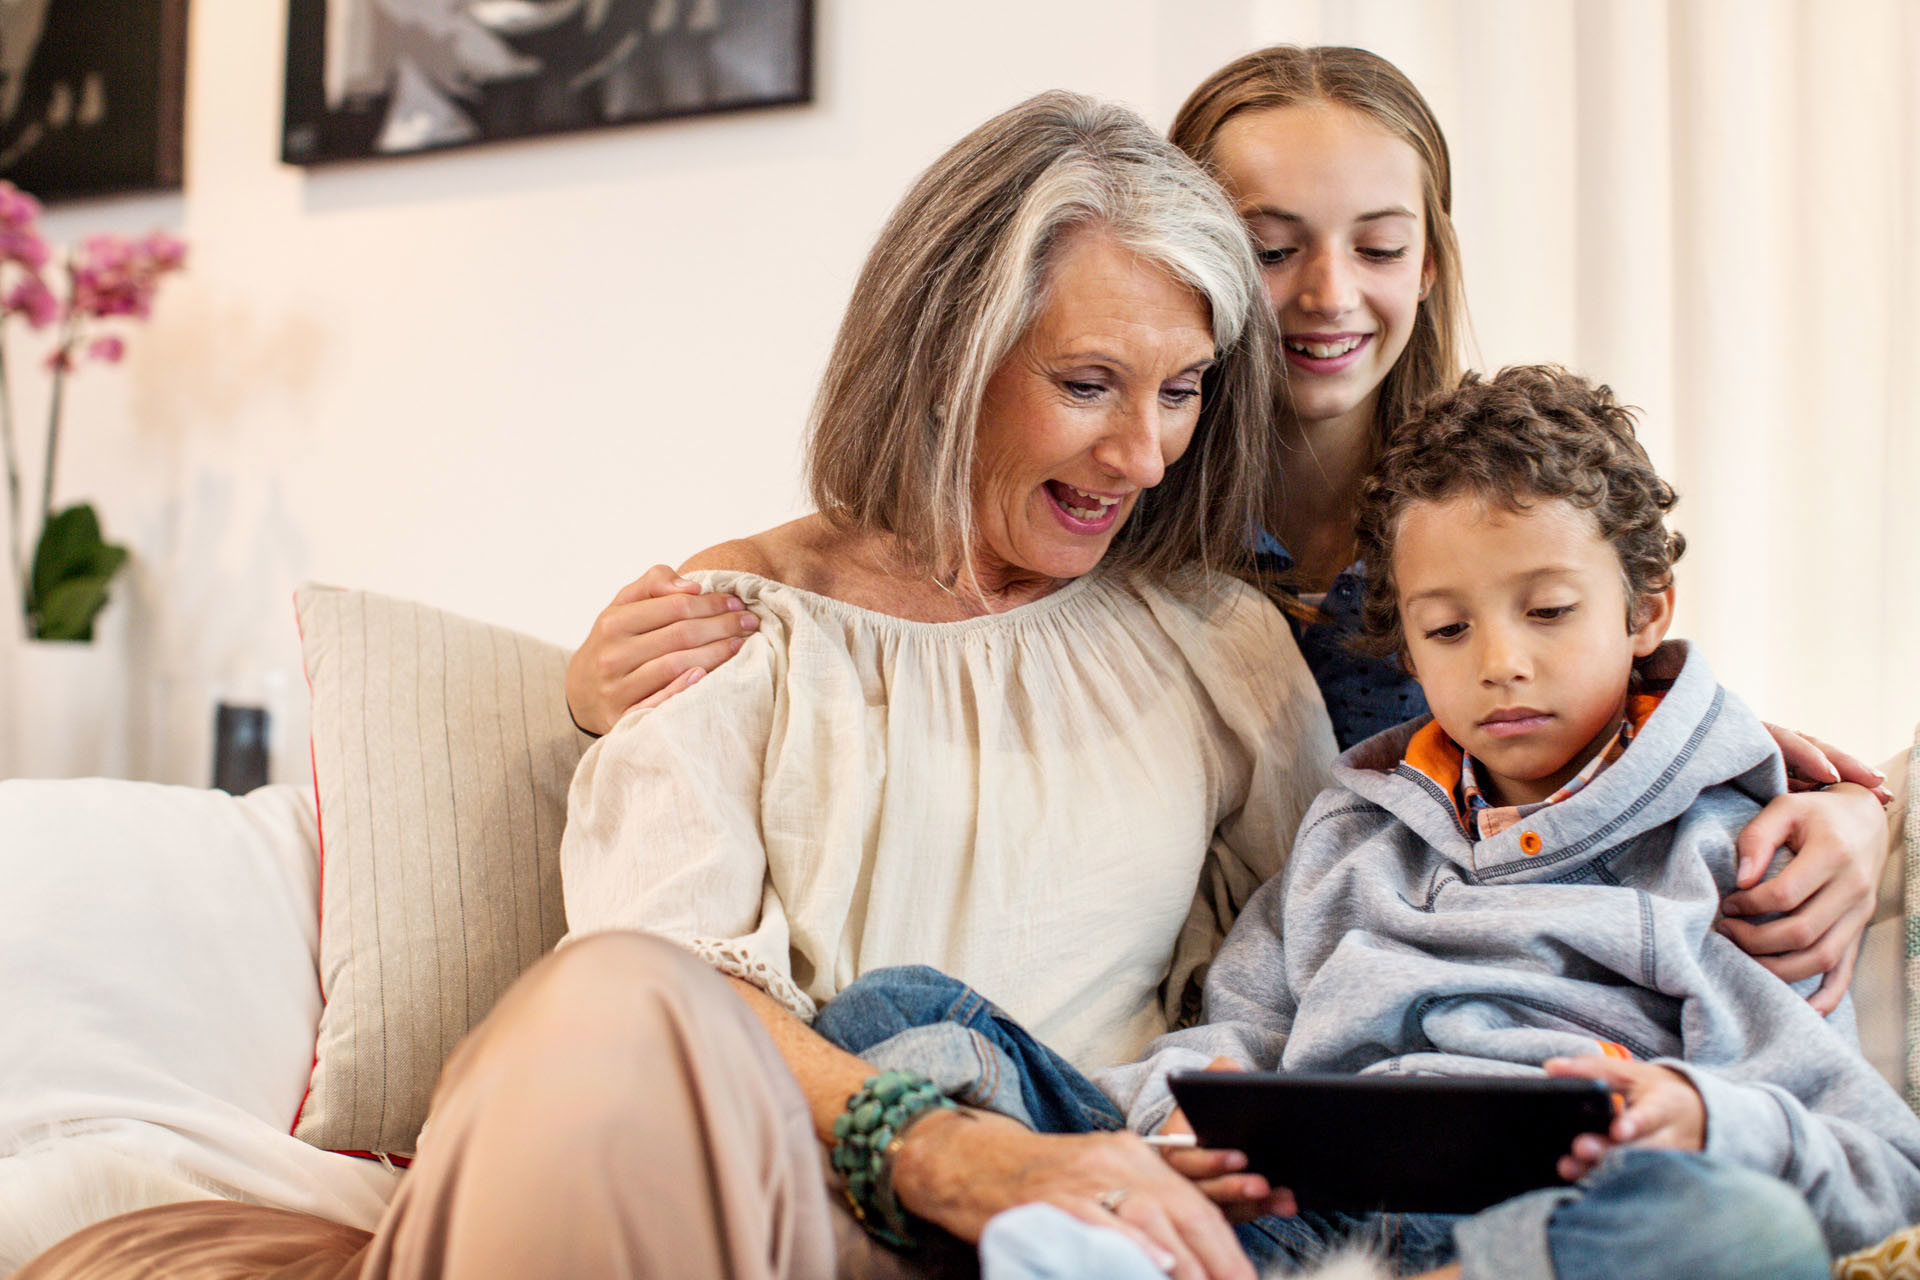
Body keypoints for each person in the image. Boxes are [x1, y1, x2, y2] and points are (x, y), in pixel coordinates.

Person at [17, 91, 1335, 1280]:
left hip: (1083, 1216)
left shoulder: (1218, 647)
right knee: (617, 998)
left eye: (1184, 391)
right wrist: (948, 1158)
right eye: (1088, 384)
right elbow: (663, 987)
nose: (1147, 452)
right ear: (946, 358)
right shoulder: (732, 621)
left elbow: (1325, 975)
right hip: (784, 1194)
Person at [562, 43, 1892, 1015]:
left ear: (1429, 260)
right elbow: (890, 563)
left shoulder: (1480, 516)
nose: (1329, 296)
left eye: (1380, 244)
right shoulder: (1119, 542)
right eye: (1270, 245)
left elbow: (1619, 736)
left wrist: (1857, 823)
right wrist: (619, 673)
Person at [1094, 365, 1920, 1278]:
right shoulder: (1352, 835)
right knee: (923, 1020)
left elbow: (1883, 1172)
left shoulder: (1733, 855)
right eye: (1447, 630)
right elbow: (1234, 1041)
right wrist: (1181, 1113)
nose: (1501, 663)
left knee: (1735, 1230)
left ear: (1645, 611)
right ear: (1407, 643)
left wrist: (1703, 1117)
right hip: (1314, 1221)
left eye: (1551, 612)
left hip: (1559, 1228)